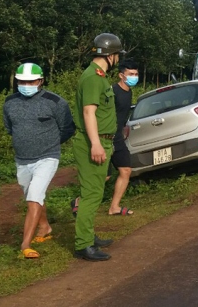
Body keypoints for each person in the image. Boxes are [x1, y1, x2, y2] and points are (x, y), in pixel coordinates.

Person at [3, 63, 75, 259]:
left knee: (34, 197)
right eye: (22, 82)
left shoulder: (56, 102)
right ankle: (45, 227)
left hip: (47, 157)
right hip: (22, 159)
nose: (26, 84)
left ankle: (25, 244)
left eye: (31, 81)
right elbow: (10, 129)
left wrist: (50, 144)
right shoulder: (9, 103)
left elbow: (68, 128)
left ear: (41, 81)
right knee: (34, 195)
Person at [72, 33, 125, 261]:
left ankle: (88, 235)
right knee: (92, 193)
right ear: (111, 55)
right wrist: (95, 144)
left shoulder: (99, 76)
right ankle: (84, 245)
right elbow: (88, 112)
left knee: (94, 191)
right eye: (117, 55)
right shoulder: (94, 78)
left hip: (102, 139)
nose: (118, 59)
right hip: (91, 141)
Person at [102, 59, 138, 217]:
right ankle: (79, 201)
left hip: (118, 137)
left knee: (125, 170)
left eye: (136, 74)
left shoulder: (128, 91)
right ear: (121, 75)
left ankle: (114, 207)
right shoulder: (113, 91)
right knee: (104, 176)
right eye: (131, 74)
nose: (134, 77)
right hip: (106, 137)